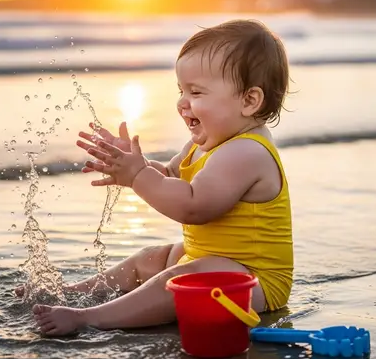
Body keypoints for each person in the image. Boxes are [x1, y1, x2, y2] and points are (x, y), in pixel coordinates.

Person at [29, 19, 294, 336]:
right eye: (181, 90)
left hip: (255, 283)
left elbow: (193, 206)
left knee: (191, 274)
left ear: (249, 101)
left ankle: (90, 316)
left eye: (196, 92)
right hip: (211, 261)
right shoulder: (205, 144)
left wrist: (138, 175)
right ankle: (75, 292)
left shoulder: (246, 153)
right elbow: (169, 176)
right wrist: (129, 165)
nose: (182, 102)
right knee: (153, 258)